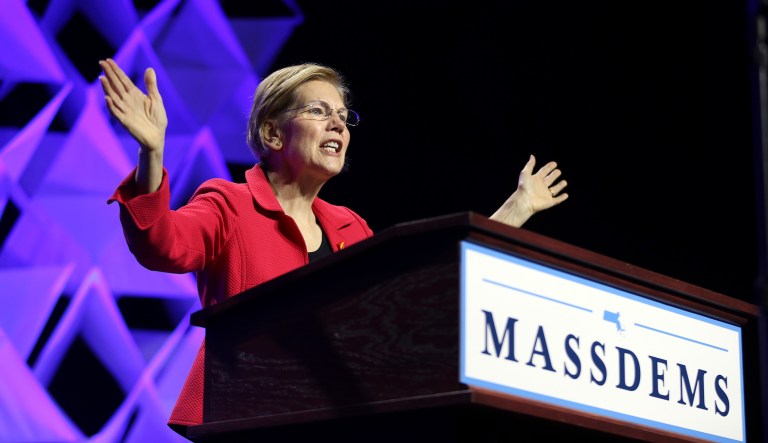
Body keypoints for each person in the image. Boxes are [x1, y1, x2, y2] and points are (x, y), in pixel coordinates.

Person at [99, 58, 569, 432]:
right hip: (248, 418)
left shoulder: (350, 227)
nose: (339, 126)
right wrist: (152, 154)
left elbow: (422, 300)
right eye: (320, 112)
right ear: (272, 132)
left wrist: (516, 209)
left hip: (338, 417)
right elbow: (162, 244)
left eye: (344, 117)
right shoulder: (229, 203)